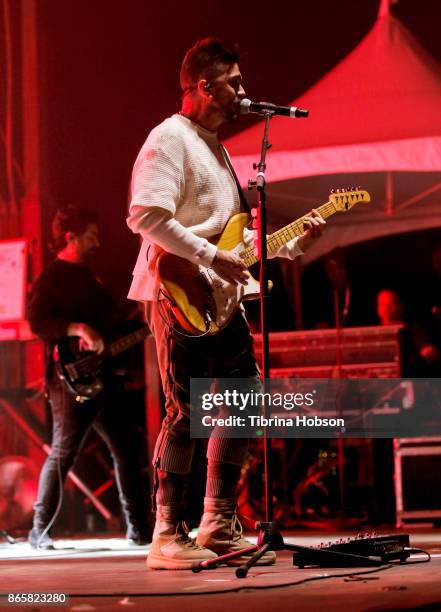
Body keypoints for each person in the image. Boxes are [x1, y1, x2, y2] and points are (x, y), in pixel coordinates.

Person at [127, 38, 325, 570]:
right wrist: (212, 256)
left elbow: (234, 239)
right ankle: (167, 532)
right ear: (205, 86)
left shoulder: (216, 146)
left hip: (220, 296)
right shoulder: (168, 139)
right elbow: (145, 215)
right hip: (179, 292)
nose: (244, 91)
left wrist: (293, 241)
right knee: (185, 411)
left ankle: (217, 519)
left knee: (243, 399)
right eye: (235, 83)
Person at [28, 205, 151, 549]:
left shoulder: (91, 277)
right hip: (70, 382)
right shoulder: (51, 278)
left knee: (127, 450)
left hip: (106, 377)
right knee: (63, 452)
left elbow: (111, 327)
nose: (98, 242)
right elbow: (37, 322)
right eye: (91, 236)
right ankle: (39, 531)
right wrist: (76, 328)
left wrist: (143, 319)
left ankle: (140, 530)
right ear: (71, 237)